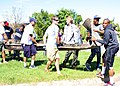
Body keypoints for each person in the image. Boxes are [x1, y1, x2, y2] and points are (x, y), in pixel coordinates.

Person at [92, 18, 119, 85]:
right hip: (114, 47)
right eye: (103, 23)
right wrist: (97, 31)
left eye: (105, 23)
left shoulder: (107, 31)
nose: (103, 24)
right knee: (104, 57)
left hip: (111, 48)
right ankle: (103, 73)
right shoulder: (110, 29)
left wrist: (96, 39)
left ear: (108, 24)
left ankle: (111, 82)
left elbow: (105, 42)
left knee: (110, 65)